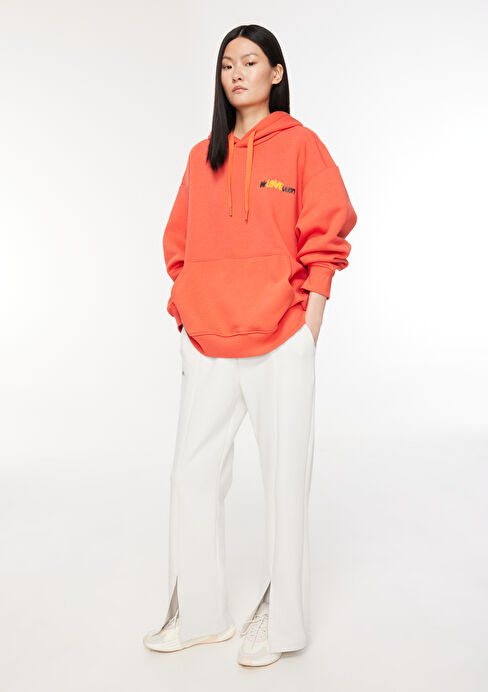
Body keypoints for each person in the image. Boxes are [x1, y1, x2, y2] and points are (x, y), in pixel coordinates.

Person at [143, 23, 358, 667]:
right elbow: (178, 243)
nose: (236, 74)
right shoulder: (200, 156)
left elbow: (327, 231)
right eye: (227, 64)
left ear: (276, 72)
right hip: (208, 340)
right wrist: (186, 307)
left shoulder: (301, 146)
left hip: (282, 336)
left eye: (250, 62)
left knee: (284, 479)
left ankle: (282, 622)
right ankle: (200, 614)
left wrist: (312, 316)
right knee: (191, 474)